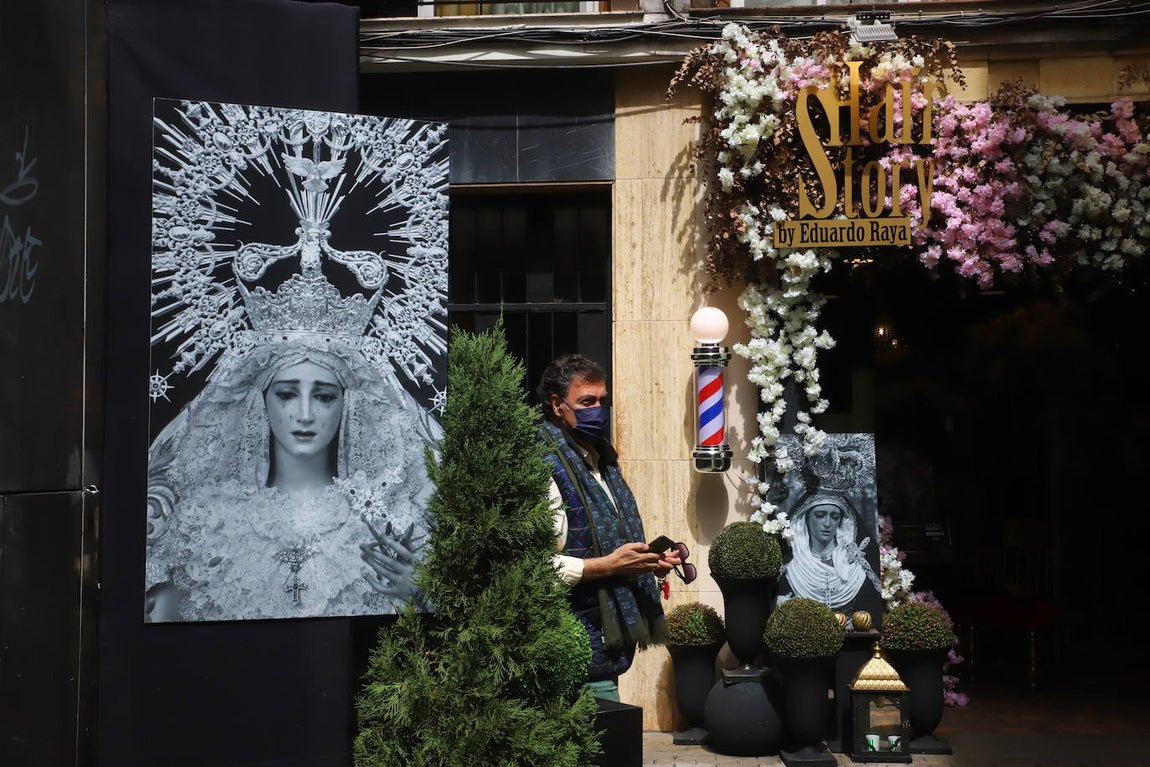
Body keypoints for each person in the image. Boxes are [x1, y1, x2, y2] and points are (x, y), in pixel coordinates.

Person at [144, 335, 440, 622]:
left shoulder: (386, 524)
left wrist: (423, 596)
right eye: (286, 394)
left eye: (324, 397)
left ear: (348, 405)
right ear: (260, 401)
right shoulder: (210, 524)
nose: (305, 414)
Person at [535, 353, 677, 702]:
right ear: (557, 405)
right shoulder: (541, 465)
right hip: (569, 642)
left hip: (604, 643)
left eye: (602, 401)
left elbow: (608, 540)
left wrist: (643, 561)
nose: (597, 410)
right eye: (586, 402)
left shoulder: (603, 461)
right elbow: (531, 566)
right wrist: (608, 566)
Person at [776, 490, 881, 612]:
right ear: (806, 518)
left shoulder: (857, 565)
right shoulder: (790, 565)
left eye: (834, 517)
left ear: (841, 521)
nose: (827, 523)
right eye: (820, 515)